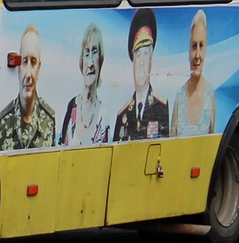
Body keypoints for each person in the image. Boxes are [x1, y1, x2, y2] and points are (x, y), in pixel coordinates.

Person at [0, 25, 57, 151]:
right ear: (18, 68)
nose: (28, 74)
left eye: (33, 62)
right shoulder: (3, 121)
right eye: (24, 61)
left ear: (39, 69)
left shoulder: (49, 121)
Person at [113, 8, 169, 141]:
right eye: (138, 55)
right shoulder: (122, 114)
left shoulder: (161, 106)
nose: (142, 62)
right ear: (132, 62)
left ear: (151, 60)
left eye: (146, 54)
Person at [59, 23, 110, 146]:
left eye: (95, 52)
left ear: (100, 60)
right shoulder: (72, 107)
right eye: (87, 54)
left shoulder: (103, 113)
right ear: (82, 62)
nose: (90, 63)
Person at [171, 10, 216, 137]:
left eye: (201, 46)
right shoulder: (179, 95)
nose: (197, 55)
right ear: (188, 52)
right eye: (193, 46)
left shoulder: (210, 93)